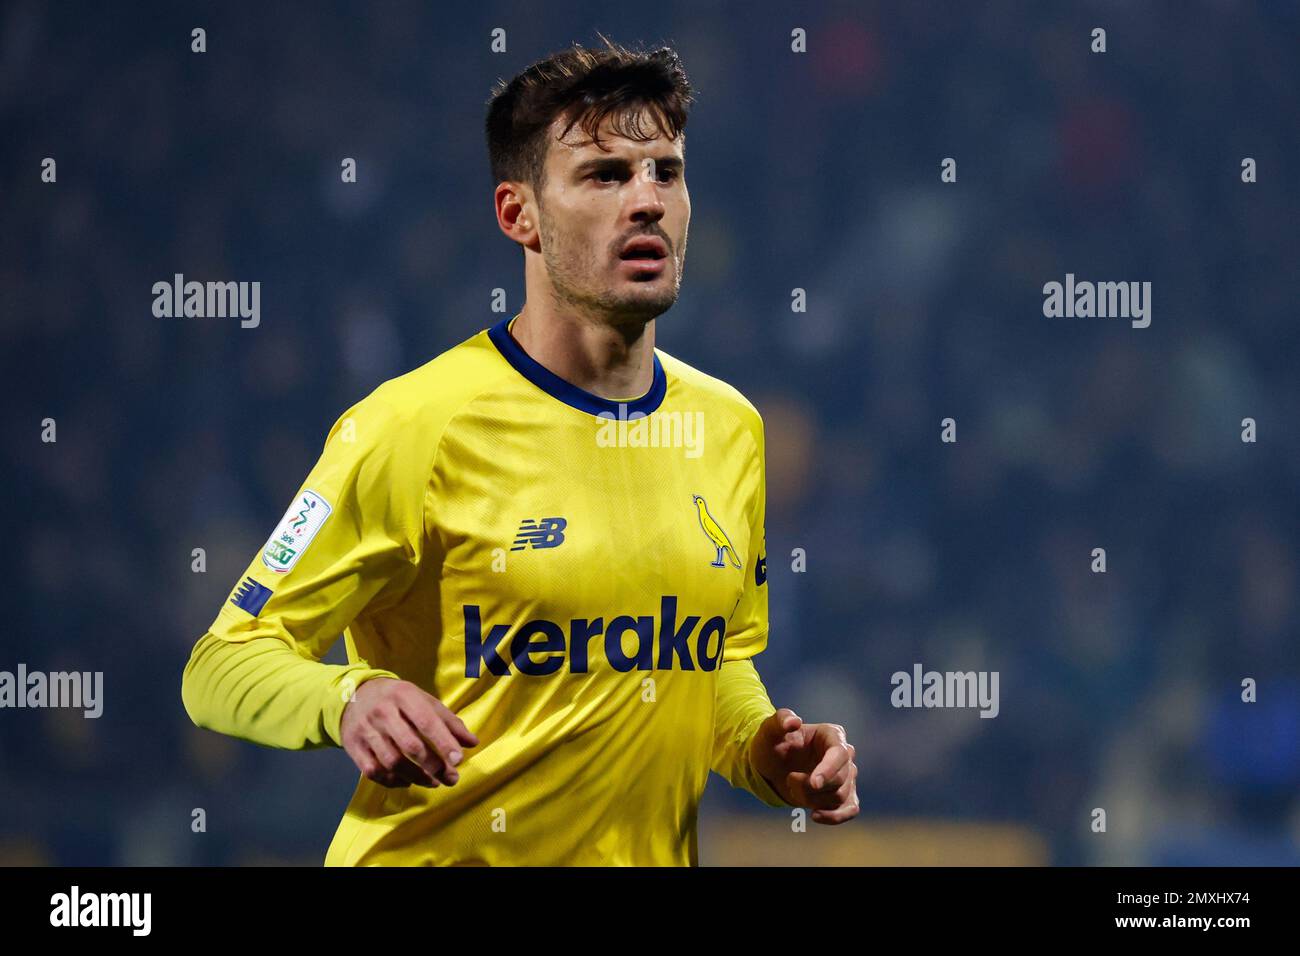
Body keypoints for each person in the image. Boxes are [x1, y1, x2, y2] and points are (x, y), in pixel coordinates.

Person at [181, 36, 858, 866]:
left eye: (666, 172)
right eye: (605, 175)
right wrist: (349, 696)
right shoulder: (411, 427)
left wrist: (761, 749)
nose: (645, 200)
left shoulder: (730, 428)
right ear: (519, 214)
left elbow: (702, 659)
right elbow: (221, 665)